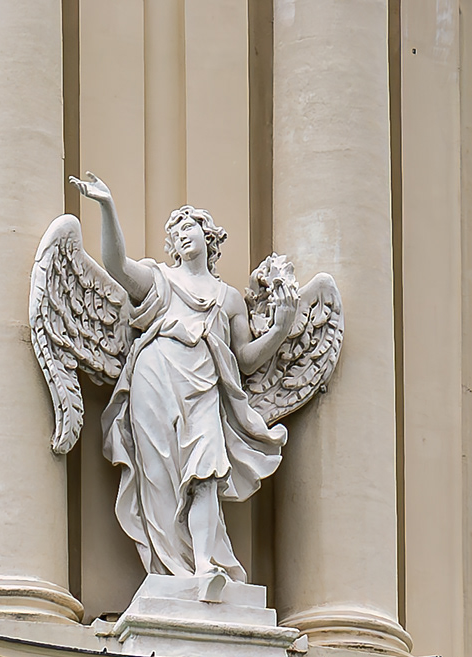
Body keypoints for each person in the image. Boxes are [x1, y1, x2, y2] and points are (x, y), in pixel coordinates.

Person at [63, 177, 310, 596]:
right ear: (173, 248)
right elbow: (116, 265)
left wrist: (283, 327)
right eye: (175, 231)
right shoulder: (159, 279)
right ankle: (169, 571)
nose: (181, 233)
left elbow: (245, 359)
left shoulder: (228, 298)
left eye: (189, 226)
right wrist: (107, 207)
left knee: (206, 475)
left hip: (205, 388)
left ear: (208, 237)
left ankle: (204, 566)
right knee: (158, 476)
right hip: (156, 377)